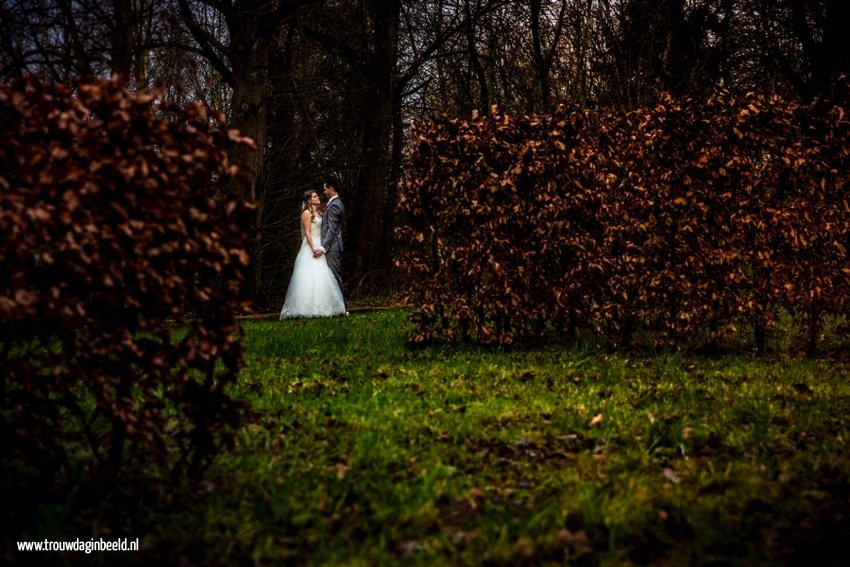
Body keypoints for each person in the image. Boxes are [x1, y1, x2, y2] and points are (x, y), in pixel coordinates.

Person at [279, 189, 346, 319]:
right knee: (309, 276)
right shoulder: (306, 213)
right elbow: (307, 232)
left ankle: (324, 307)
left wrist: (322, 247)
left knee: (323, 276)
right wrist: (313, 247)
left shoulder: (320, 213)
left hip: (320, 245)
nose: (318, 197)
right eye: (315, 196)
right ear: (309, 200)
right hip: (311, 246)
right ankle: (305, 309)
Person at [314, 175, 345, 297]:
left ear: (331, 188)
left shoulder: (335, 204)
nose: (324, 192)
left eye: (325, 189)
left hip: (332, 246)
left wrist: (323, 247)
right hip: (331, 245)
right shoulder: (332, 203)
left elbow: (332, 229)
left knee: (334, 275)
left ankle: (342, 306)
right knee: (330, 276)